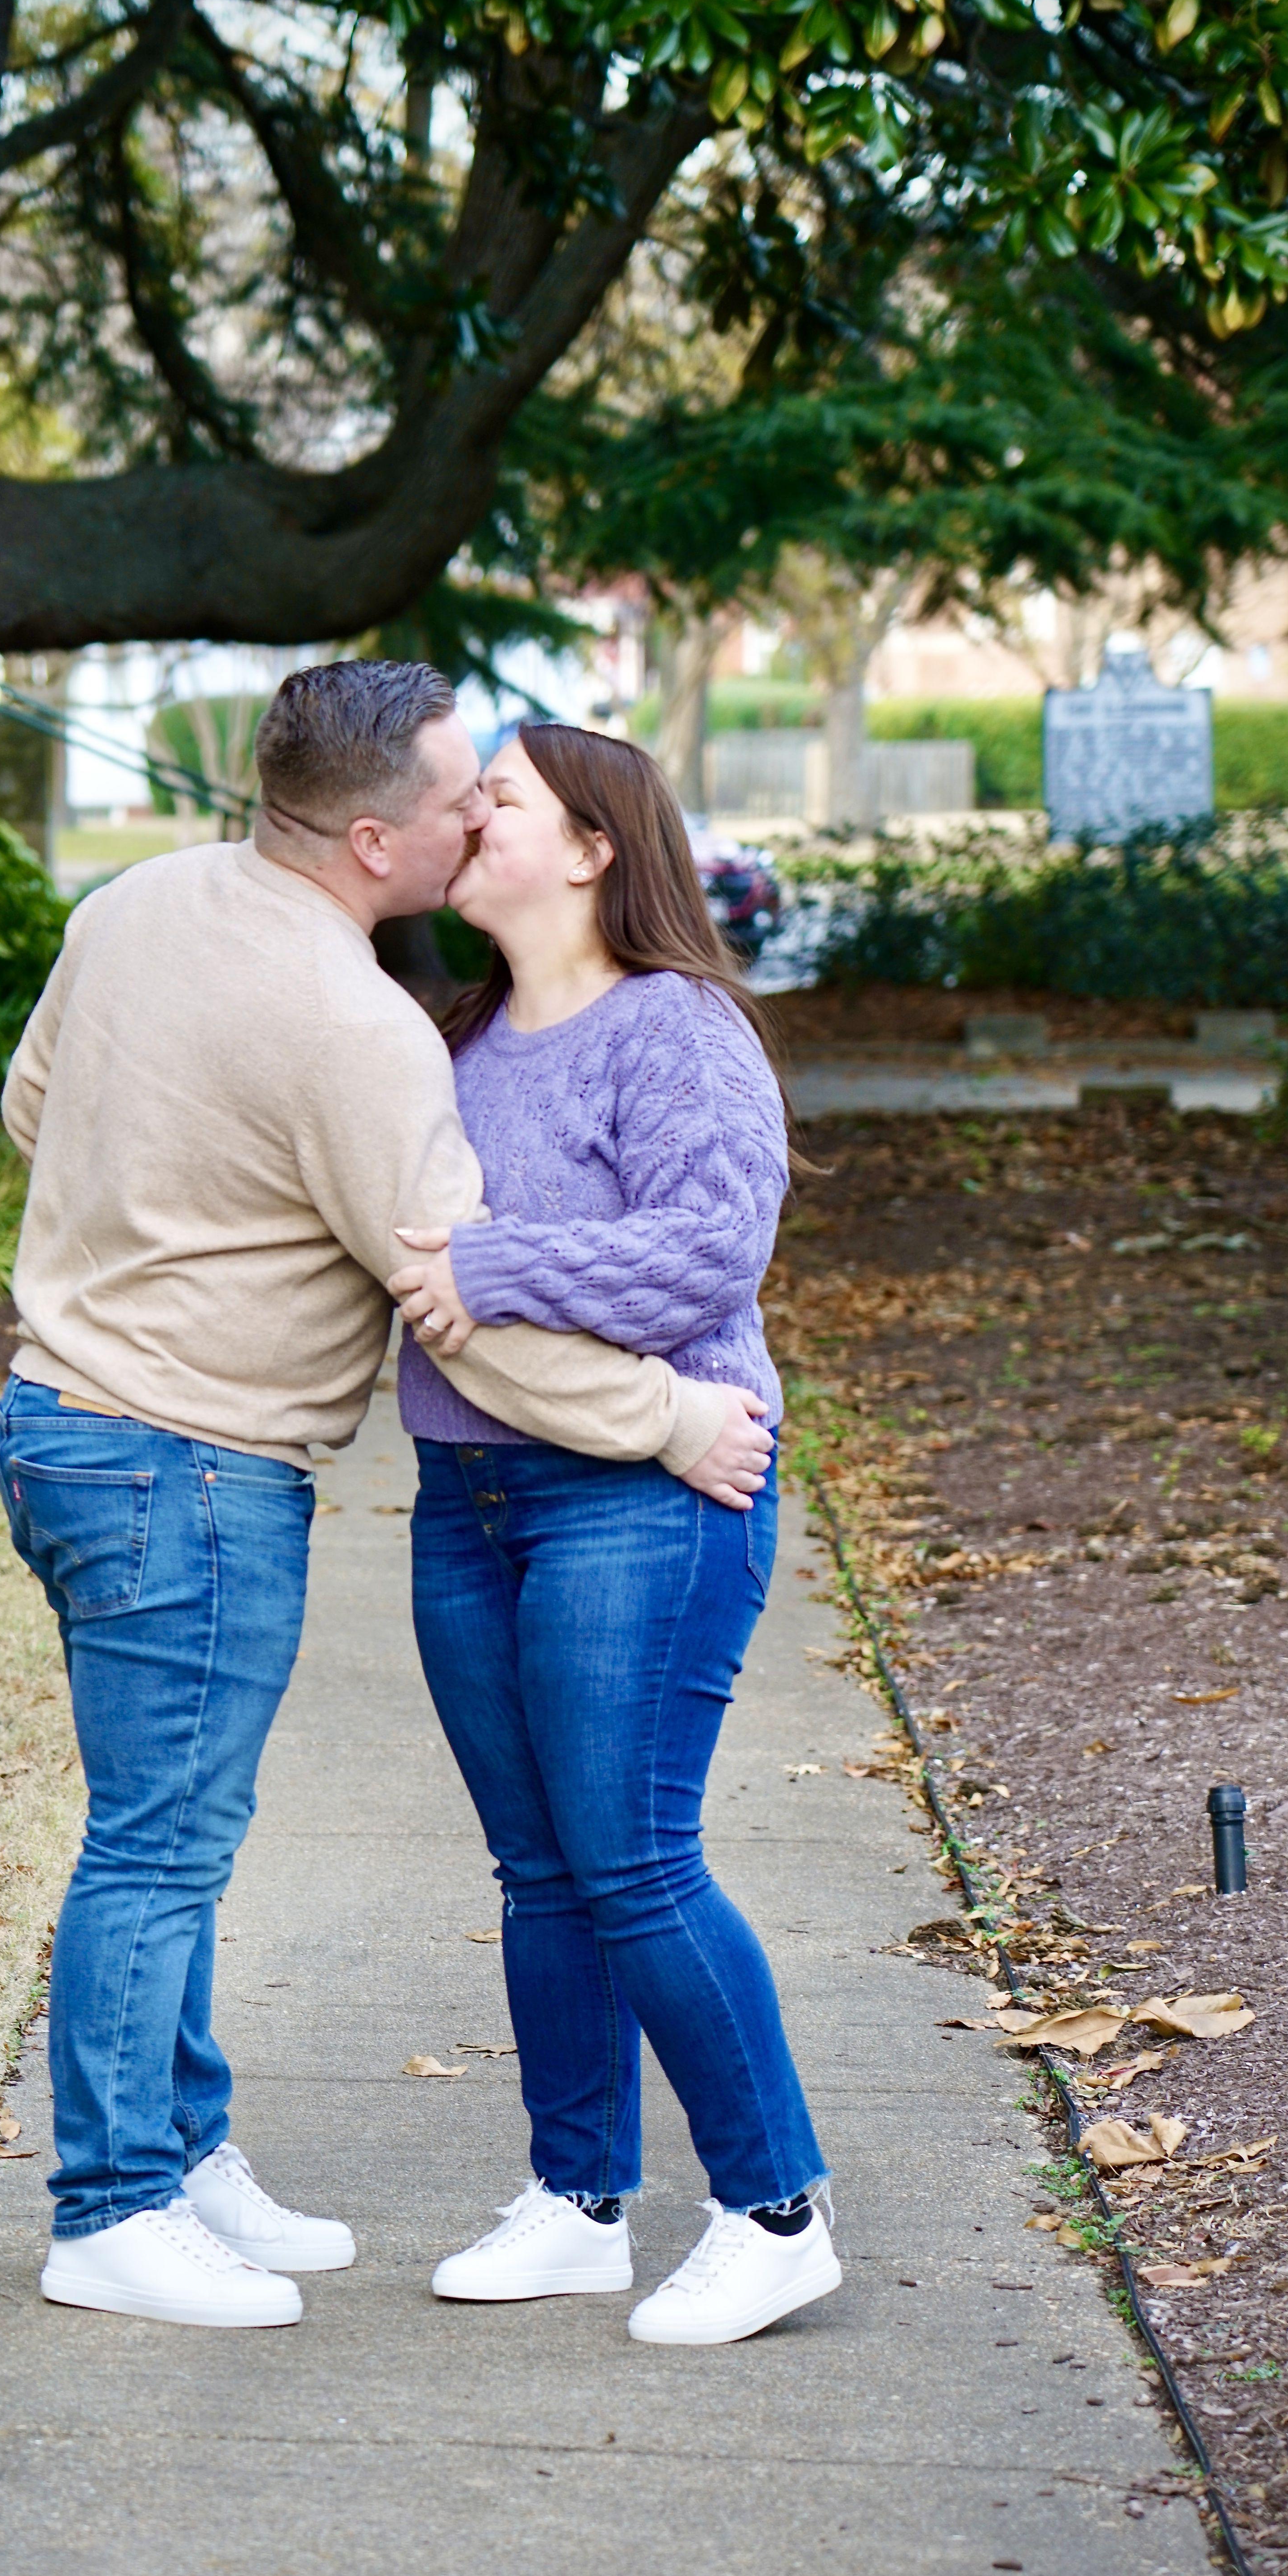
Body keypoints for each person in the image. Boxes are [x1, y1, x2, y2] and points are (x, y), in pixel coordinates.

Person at [0, 662, 775, 2333]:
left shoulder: (135, 903)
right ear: (370, 835)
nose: (473, 812)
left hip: (67, 1425)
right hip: (190, 1460)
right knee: (164, 1842)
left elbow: (33, 1105)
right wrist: (663, 1416)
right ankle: (114, 2202)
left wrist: (168, 1213)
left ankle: (186, 2158)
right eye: (454, 795)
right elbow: (450, 1307)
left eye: (503, 797)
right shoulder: (377, 1030)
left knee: (204, 1834)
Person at [384, 721, 840, 2347]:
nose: (468, 813)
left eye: (496, 794)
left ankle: (776, 2206)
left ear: (590, 848)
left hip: (647, 1499)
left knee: (633, 1857)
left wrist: (492, 1267)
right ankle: (579, 2201)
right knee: (539, 1871)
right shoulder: (454, 1037)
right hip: (466, 1501)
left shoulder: (676, 1027)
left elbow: (710, 1251)